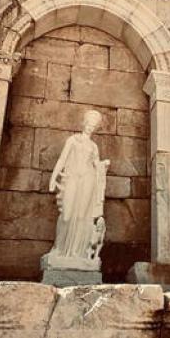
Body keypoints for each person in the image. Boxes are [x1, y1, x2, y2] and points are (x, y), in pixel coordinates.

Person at [44, 110, 110, 266]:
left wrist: (103, 165)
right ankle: (59, 249)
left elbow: (96, 166)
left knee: (82, 217)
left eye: (94, 126)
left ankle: (77, 253)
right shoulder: (73, 140)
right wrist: (53, 178)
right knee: (66, 215)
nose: (90, 127)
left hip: (88, 179)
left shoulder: (94, 146)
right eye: (89, 124)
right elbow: (62, 159)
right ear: (84, 123)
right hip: (72, 177)